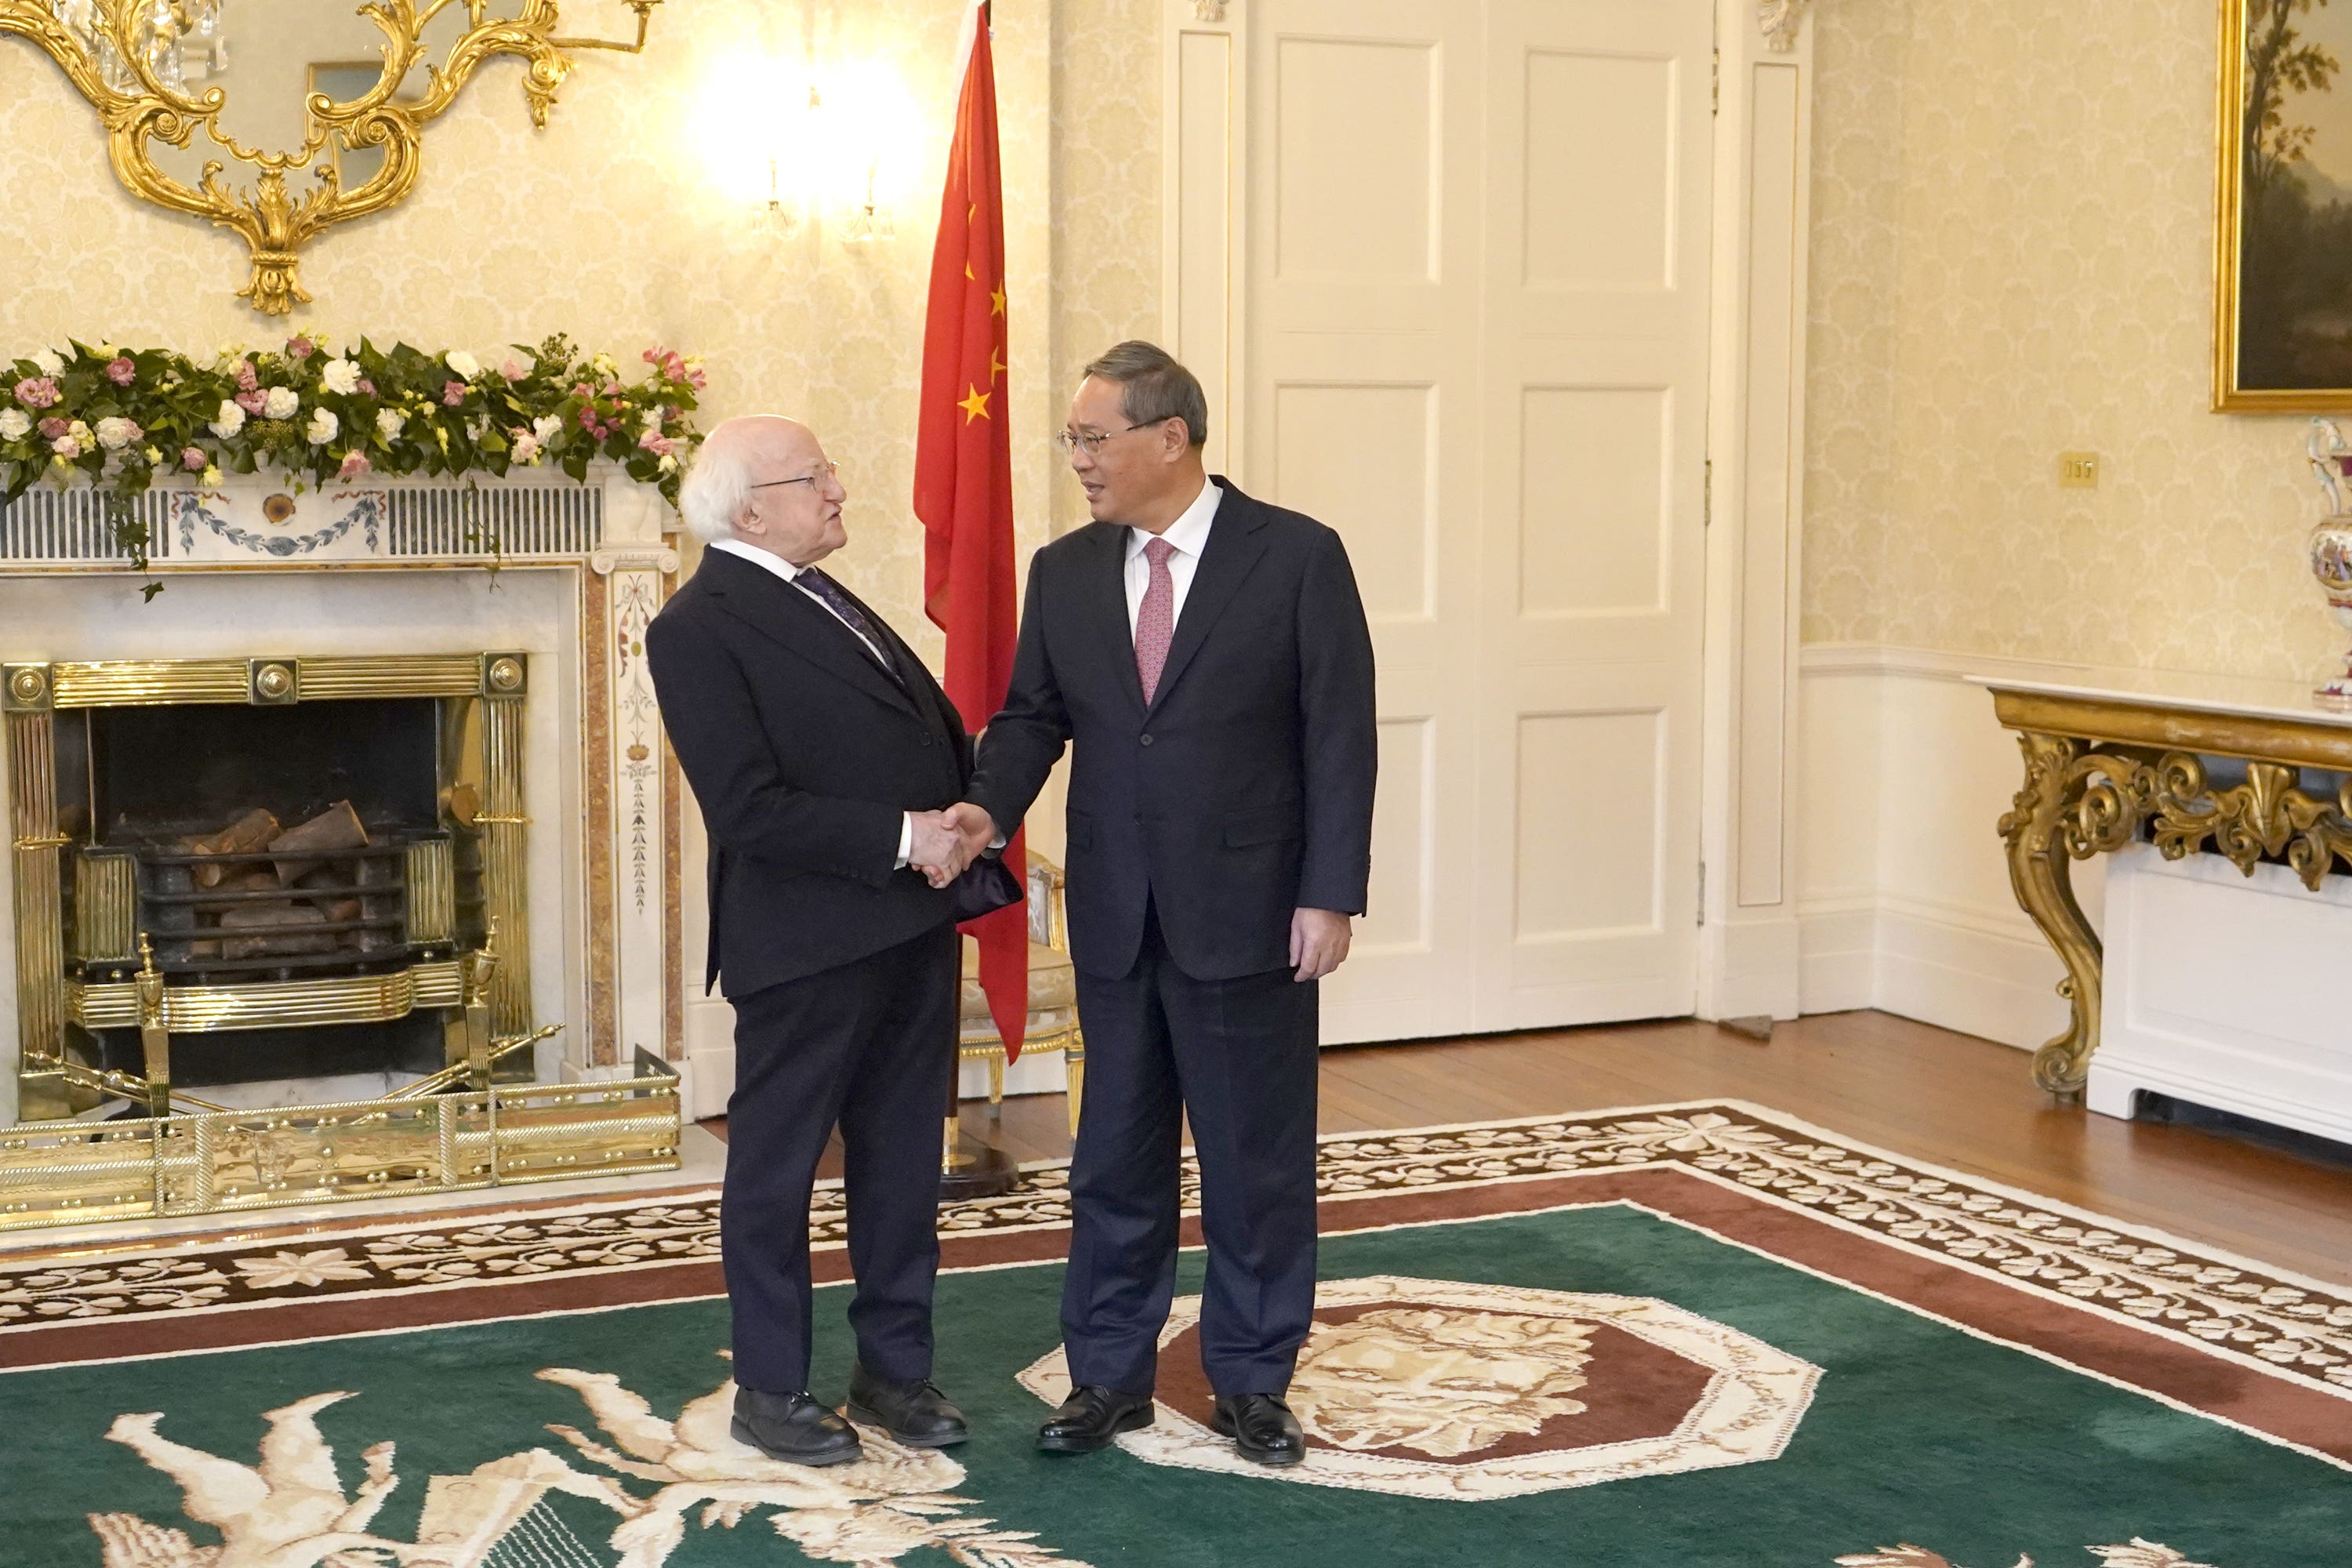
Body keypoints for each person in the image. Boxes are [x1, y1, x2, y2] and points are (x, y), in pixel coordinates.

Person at [948, 343, 1377, 1467]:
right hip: (1119, 911)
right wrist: (987, 810)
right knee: (1113, 1157)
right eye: (1073, 439)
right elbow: (1034, 716)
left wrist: (1330, 894)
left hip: (1251, 911)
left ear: (1169, 437)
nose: (1077, 459)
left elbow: (1340, 735)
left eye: (1094, 438)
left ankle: (1251, 1381)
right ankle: (1107, 1376)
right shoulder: (1067, 568)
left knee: (1254, 1162)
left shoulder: (1296, 558)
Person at [646, 415, 984, 1468]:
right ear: (751, 510)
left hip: (910, 924)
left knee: (900, 1165)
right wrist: (902, 836)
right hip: (806, 945)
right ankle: (771, 1389)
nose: (838, 490)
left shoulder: (820, 593)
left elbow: (900, 733)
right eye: (815, 477)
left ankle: (893, 1372)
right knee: (777, 1173)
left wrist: (964, 819)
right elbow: (747, 808)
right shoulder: (697, 624)